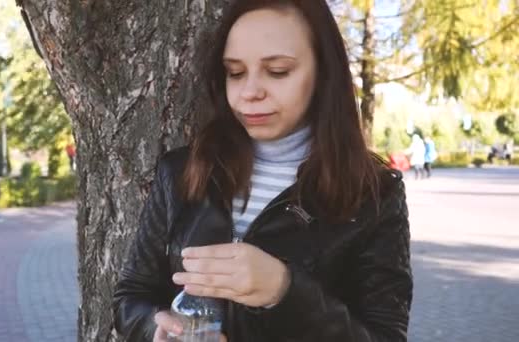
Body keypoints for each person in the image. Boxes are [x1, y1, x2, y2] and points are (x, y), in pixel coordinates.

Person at [113, 1, 412, 341]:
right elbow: (131, 296)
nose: (250, 92)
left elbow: (385, 335)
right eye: (235, 72)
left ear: (323, 73)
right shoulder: (182, 170)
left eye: (278, 71)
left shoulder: (375, 192)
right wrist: (157, 327)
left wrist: (284, 290)